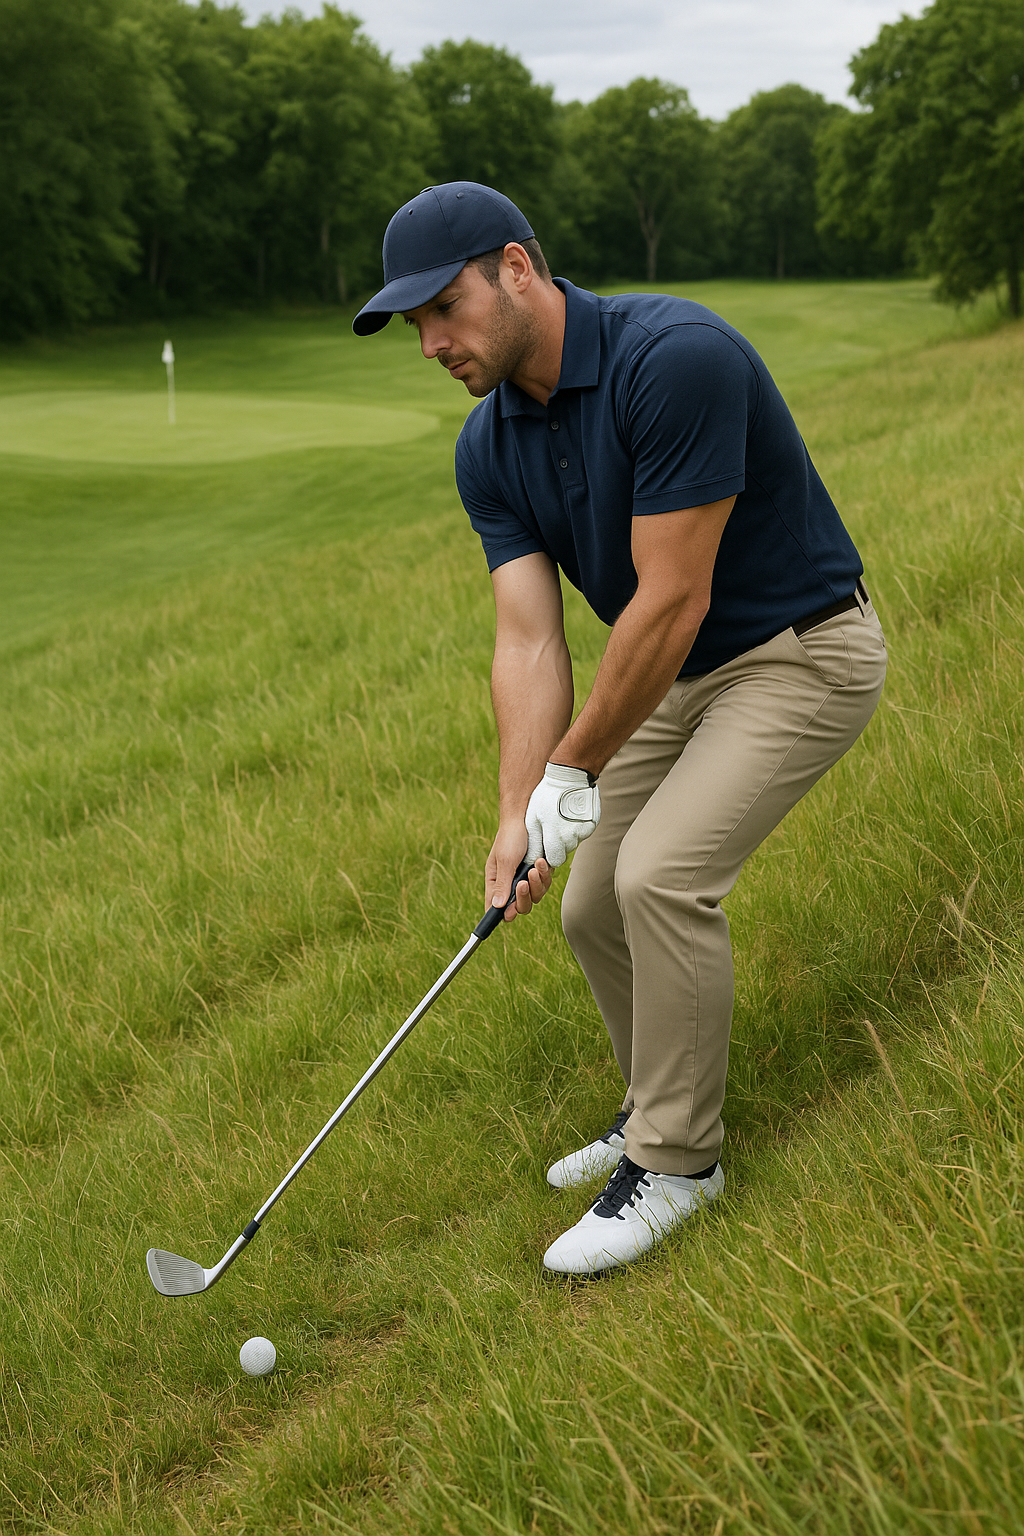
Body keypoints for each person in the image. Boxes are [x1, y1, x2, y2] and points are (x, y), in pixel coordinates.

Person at [353, 182, 887, 1276]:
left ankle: (680, 1162)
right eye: (413, 326)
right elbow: (528, 644)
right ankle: (654, 1106)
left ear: (515, 268)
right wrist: (518, 813)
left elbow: (671, 599)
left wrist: (573, 767)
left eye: (442, 309)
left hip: (798, 653)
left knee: (658, 879)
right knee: (588, 901)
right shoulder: (487, 446)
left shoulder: (674, 357)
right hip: (672, 679)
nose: (430, 344)